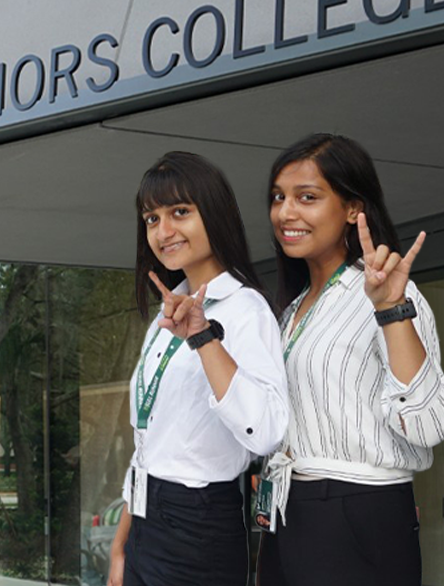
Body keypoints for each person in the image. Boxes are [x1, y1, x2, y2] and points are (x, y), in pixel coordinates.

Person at [257, 134, 444, 586]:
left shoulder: (389, 296)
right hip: (290, 509)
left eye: (307, 197)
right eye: (278, 197)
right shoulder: (292, 309)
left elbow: (428, 424)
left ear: (352, 208)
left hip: (359, 509)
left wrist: (390, 308)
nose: (286, 213)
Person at [107, 151, 289, 586]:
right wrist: (120, 546)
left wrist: (204, 337)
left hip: (199, 523)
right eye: (151, 218)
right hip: (146, 521)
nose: (163, 230)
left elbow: (265, 432)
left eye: (180, 212)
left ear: (216, 213)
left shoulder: (246, 309)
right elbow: (148, 443)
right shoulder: (167, 310)